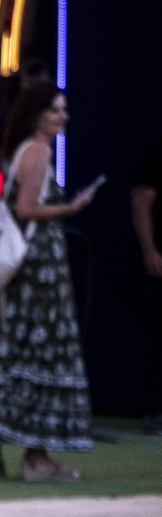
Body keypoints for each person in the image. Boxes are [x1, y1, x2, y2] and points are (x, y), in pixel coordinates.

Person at [0, 83, 99, 480]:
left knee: (29, 357)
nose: (63, 117)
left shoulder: (24, 149)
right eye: (55, 110)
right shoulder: (37, 151)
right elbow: (25, 208)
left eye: (64, 110)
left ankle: (10, 444)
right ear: (37, 113)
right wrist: (70, 207)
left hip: (35, 270)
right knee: (44, 355)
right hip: (41, 272)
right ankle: (33, 457)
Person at [131, 132, 162, 433]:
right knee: (157, 334)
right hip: (160, 258)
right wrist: (150, 250)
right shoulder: (156, 150)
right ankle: (154, 410)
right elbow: (141, 201)